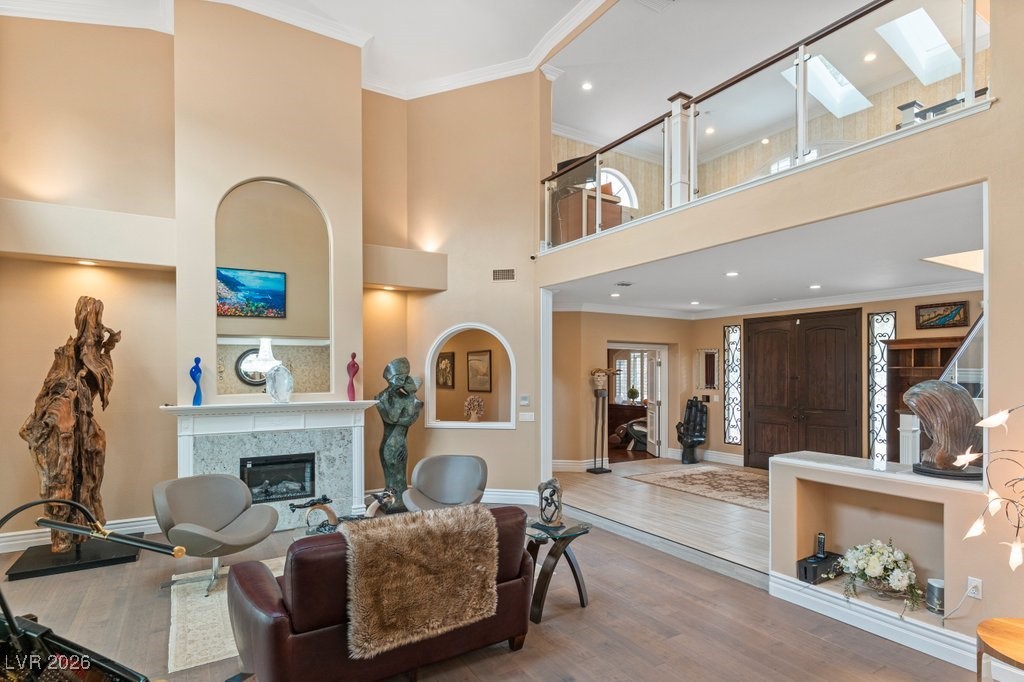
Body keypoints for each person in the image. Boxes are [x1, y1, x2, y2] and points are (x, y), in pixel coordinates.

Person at [374, 357, 423, 512]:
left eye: (404, 378)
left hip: (400, 442)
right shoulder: (382, 397)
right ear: (391, 378)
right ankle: (393, 501)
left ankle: (397, 501)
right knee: (392, 475)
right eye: (399, 378)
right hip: (391, 444)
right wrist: (412, 400)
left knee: (398, 475)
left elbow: (410, 419)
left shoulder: (405, 397)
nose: (402, 381)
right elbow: (393, 418)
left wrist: (412, 393)